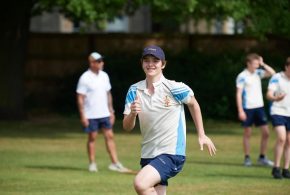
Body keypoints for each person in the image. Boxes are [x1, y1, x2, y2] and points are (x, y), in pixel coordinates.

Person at [123, 45, 216, 195]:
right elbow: (127, 127)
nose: (150, 64)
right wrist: (133, 114)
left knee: (141, 184)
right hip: (148, 154)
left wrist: (202, 134)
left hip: (171, 153)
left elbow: (194, 104)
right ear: (141, 63)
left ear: (163, 64)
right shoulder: (134, 90)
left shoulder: (175, 88)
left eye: (155, 60)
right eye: (146, 60)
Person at [76, 52, 129, 172]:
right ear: (92, 63)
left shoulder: (104, 75)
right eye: (99, 61)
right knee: (92, 138)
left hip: (104, 113)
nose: (102, 63)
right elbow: (80, 98)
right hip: (91, 115)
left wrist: (111, 111)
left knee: (110, 136)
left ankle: (115, 163)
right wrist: (83, 115)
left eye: (102, 61)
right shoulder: (85, 78)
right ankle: (92, 164)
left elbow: (108, 94)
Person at [236, 53, 276, 167]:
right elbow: (238, 94)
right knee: (248, 133)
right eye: (255, 63)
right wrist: (240, 110)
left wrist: (263, 64)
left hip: (259, 107)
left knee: (266, 133)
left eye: (257, 64)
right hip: (247, 108)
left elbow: (273, 73)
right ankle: (247, 158)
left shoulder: (258, 73)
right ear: (248, 63)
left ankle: (262, 157)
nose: (257, 66)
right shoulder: (242, 76)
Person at [266, 57, 290, 179]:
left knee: (289, 141)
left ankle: (286, 169)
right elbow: (269, 94)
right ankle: (276, 168)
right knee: (281, 138)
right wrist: (276, 98)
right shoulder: (277, 77)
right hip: (278, 111)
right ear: (286, 66)